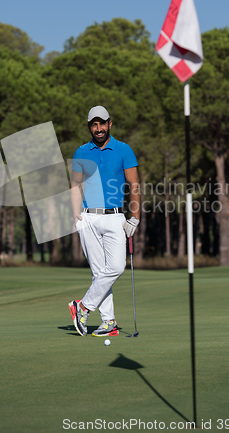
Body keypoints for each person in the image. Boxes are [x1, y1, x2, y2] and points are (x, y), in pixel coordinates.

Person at [69, 105, 140, 337]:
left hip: (115, 217)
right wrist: (75, 214)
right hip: (88, 216)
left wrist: (135, 216)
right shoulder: (81, 151)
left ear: (110, 124)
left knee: (116, 267)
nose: (98, 128)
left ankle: (82, 307)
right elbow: (75, 185)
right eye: (94, 124)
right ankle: (108, 322)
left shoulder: (123, 149)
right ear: (90, 126)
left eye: (102, 123)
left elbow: (134, 185)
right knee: (99, 272)